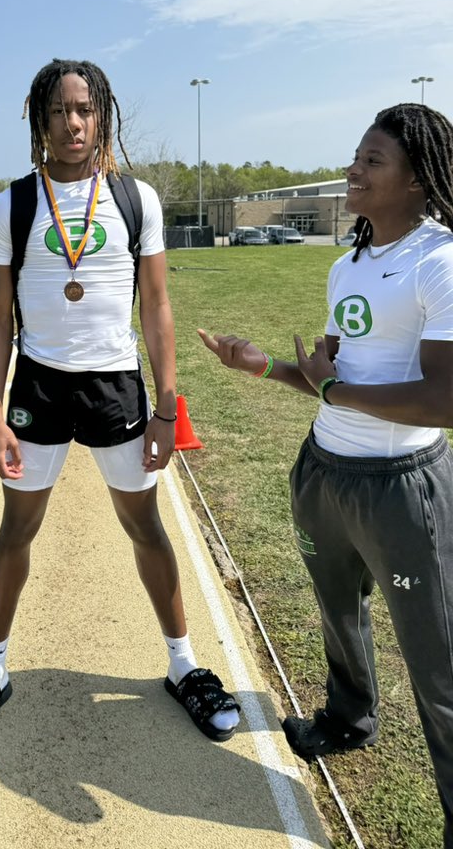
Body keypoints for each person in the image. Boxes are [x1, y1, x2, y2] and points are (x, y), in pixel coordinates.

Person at [0, 58, 240, 749]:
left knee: (146, 528)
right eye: (57, 111)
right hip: (39, 388)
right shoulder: (11, 203)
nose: (72, 123)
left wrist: (167, 405)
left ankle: (182, 666)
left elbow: (159, 308)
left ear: (102, 115)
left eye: (84, 109)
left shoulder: (137, 199)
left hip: (115, 389)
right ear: (39, 121)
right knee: (17, 530)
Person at [199, 102, 453, 847]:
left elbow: (445, 398)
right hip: (324, 473)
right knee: (338, 612)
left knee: (437, 664)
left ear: (417, 180)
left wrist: (337, 390)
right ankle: (348, 719)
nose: (353, 170)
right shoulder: (350, 262)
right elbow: (329, 377)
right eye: (356, 156)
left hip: (401, 486)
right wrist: (267, 367)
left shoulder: (440, 261)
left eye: (372, 161)